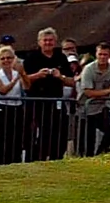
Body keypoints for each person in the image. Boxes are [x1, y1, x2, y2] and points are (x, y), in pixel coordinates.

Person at [20, 27, 74, 163]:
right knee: (39, 133)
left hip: (56, 101)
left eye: (51, 40)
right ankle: (36, 159)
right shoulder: (31, 57)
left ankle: (57, 160)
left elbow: (71, 81)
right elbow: (23, 80)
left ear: (55, 42)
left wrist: (59, 76)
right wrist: (38, 75)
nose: (48, 43)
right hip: (37, 101)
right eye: (45, 40)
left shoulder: (61, 57)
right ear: (39, 42)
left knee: (60, 132)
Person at [76, 43, 110, 156]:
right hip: (85, 109)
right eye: (100, 54)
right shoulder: (89, 69)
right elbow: (88, 92)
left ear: (109, 55)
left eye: (105, 54)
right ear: (96, 54)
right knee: (88, 141)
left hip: (100, 108)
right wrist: (109, 91)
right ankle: (86, 159)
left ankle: (100, 153)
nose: (102, 57)